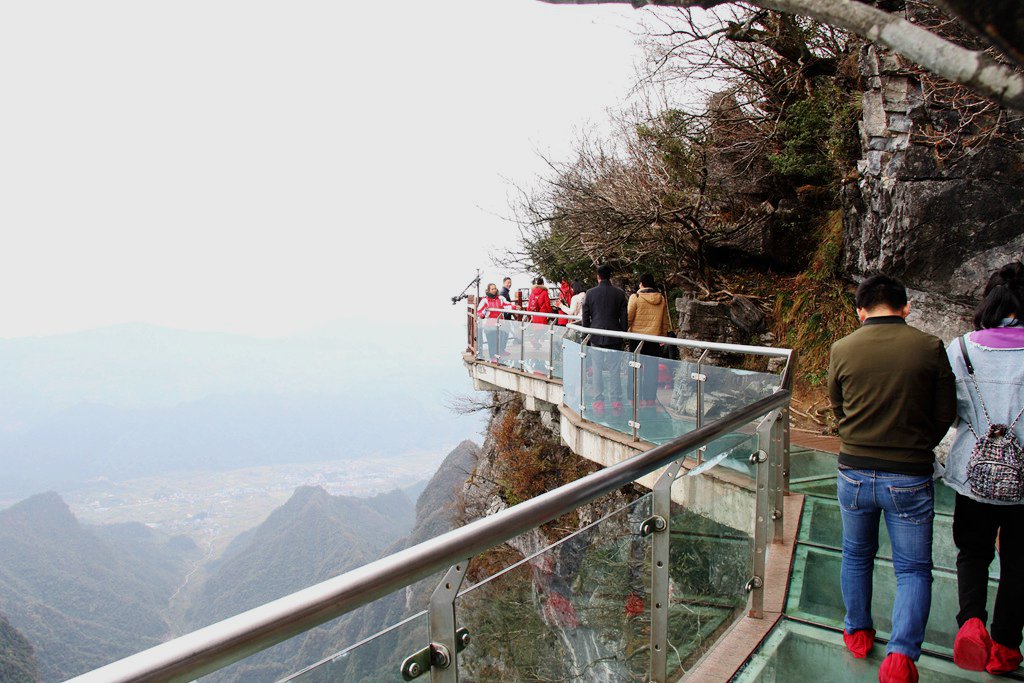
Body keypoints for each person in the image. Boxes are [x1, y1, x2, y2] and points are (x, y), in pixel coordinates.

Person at [827, 274, 956, 683]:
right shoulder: (929, 347)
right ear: (906, 307)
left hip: (854, 471)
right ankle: (901, 657)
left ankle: (858, 632)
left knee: (855, 554)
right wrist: (919, 444)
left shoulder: (842, 348)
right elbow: (945, 411)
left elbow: (839, 405)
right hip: (910, 475)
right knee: (914, 570)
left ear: (860, 310)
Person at [942, 262, 1024, 675]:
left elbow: (950, 410)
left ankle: (971, 622)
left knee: (972, 551)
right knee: (1019, 564)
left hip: (974, 474)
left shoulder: (962, 348)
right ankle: (1007, 646)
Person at [582, 265, 628, 416]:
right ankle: (615, 401)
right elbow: (624, 318)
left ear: (598, 277)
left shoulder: (590, 293)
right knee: (615, 370)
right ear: (610, 276)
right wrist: (622, 333)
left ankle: (598, 401)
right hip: (615, 336)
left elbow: (585, 317)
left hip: (595, 336)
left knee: (597, 369)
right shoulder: (619, 294)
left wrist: (586, 335)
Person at [627, 273, 671, 407]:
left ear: (641, 284)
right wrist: (663, 336)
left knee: (634, 369)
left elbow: (628, 318)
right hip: (654, 338)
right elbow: (664, 322)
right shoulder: (661, 299)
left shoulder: (636, 297)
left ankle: (634, 399)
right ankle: (650, 399)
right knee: (652, 370)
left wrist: (625, 331)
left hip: (636, 338)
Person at [477, 282, 510, 360]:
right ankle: (493, 357)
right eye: (492, 289)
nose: (494, 290)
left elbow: (507, 305)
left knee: (502, 337)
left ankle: (501, 351)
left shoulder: (500, 298)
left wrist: (514, 307)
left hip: (500, 323)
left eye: (495, 288)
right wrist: (482, 315)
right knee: (492, 341)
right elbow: (479, 310)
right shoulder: (485, 300)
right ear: (488, 290)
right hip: (489, 324)